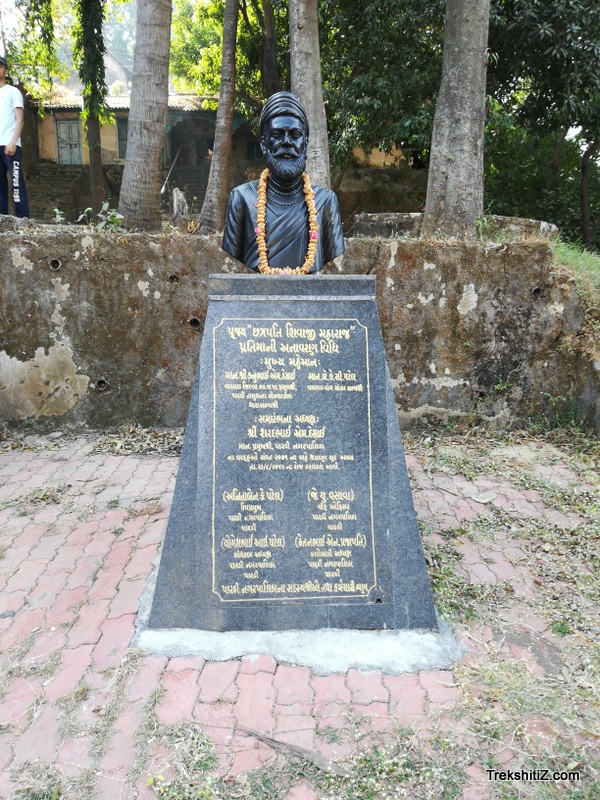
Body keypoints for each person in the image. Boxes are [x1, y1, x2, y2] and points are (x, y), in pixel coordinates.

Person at [222, 91, 344, 274]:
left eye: (295, 135)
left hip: (310, 292)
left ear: (305, 144)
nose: (287, 142)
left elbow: (332, 256)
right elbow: (233, 257)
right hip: (257, 292)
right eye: (277, 134)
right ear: (264, 144)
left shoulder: (325, 201)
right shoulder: (242, 198)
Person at [0, 55, 29, 218]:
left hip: (10, 145)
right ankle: (2, 220)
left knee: (16, 184)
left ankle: (22, 220)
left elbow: (20, 120)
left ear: (6, 71)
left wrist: (12, 142)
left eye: (0, 66)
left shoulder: (13, 92)